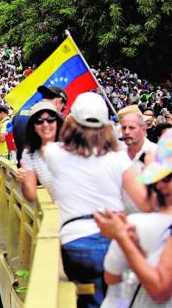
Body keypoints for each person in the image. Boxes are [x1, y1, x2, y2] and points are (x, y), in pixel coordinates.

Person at [43, 92, 150, 308]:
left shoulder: (55, 153)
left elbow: (49, 142)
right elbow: (144, 202)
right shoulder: (120, 158)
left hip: (75, 242)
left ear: (73, 123)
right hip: (115, 240)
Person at [95, 129, 172, 306]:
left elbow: (160, 289)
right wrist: (134, 243)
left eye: (166, 178)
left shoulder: (138, 223)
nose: (159, 185)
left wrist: (122, 237)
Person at [15, 101, 64, 202]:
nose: (45, 124)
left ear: (57, 123)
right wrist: (25, 180)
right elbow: (31, 196)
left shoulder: (71, 147)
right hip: (58, 213)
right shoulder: (29, 155)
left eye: (50, 119)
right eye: (39, 120)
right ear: (34, 127)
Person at [12, 85, 67, 163]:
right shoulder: (55, 119)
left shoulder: (20, 112)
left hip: (22, 166)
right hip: (46, 169)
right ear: (59, 101)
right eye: (63, 108)